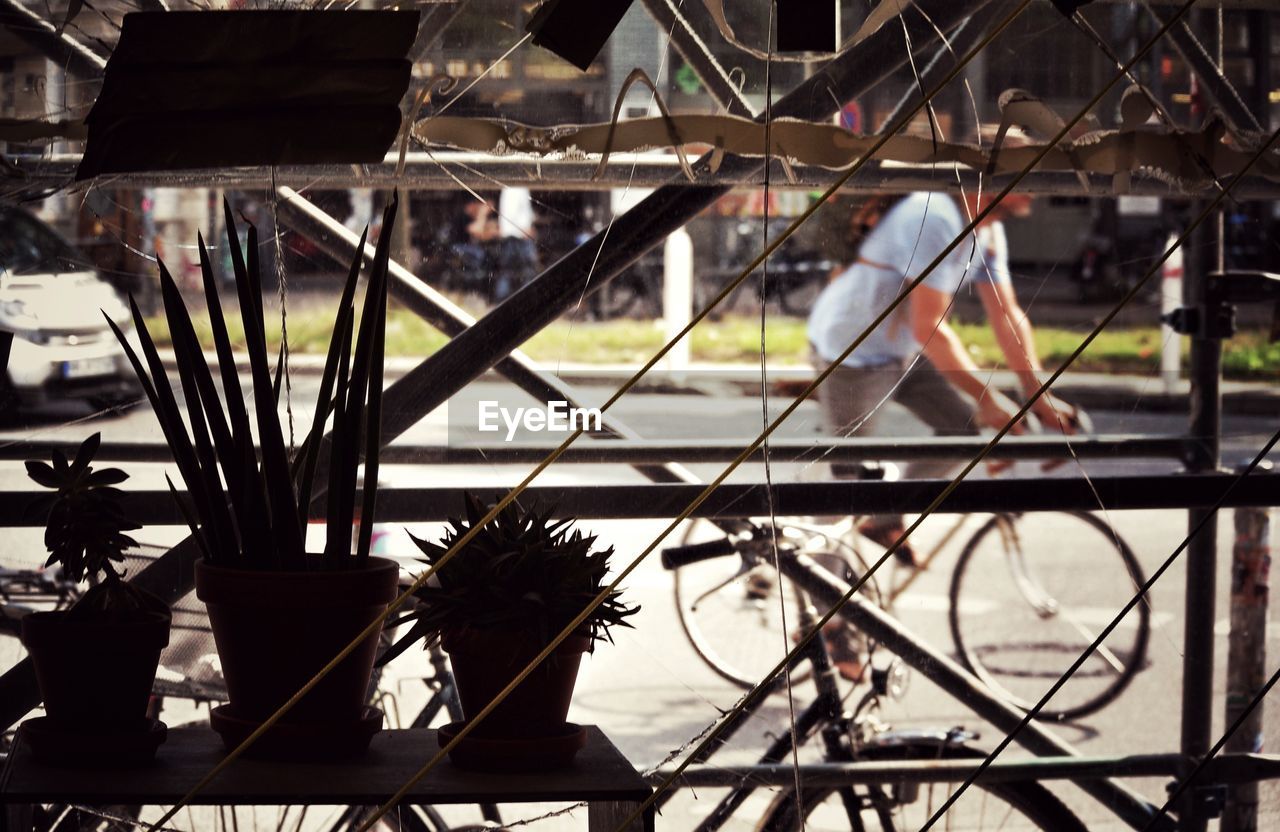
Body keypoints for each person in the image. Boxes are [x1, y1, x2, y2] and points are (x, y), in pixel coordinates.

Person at [807, 190, 1080, 564]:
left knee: (962, 432)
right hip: (855, 350)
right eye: (1026, 176)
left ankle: (883, 515)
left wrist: (1038, 395)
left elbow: (1006, 315)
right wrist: (988, 399)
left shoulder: (987, 229)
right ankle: (825, 611)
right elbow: (929, 325)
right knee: (847, 476)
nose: (1035, 187)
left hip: (902, 348)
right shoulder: (934, 216)